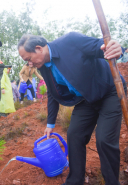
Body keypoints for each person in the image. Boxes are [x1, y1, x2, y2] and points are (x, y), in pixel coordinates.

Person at [17, 32, 126, 185]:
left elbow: (101, 46)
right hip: (86, 98)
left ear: (38, 48)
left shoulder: (70, 42)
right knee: (74, 135)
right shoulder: (43, 66)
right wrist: (50, 123)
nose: (29, 64)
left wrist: (115, 47)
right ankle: (74, 181)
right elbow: (52, 91)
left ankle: (111, 182)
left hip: (109, 91)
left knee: (104, 140)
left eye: (28, 59)